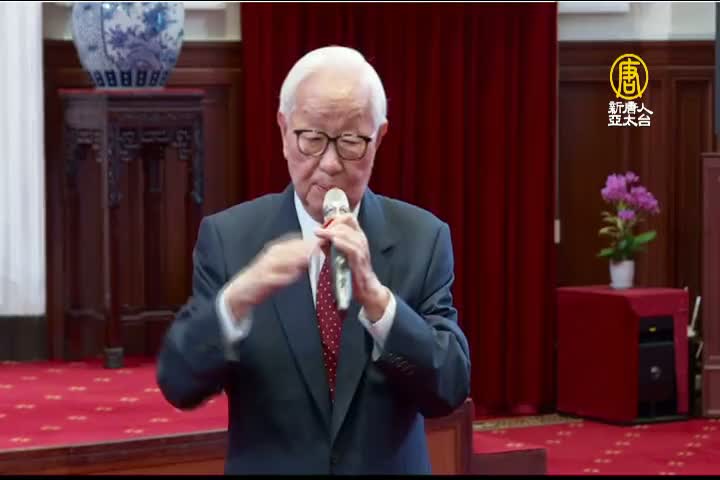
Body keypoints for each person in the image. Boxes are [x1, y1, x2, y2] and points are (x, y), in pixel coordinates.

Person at [156, 45, 471, 475]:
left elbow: (449, 389)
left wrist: (381, 305)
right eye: (313, 139)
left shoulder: (422, 238)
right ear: (284, 131)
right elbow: (179, 384)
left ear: (379, 138)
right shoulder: (230, 239)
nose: (330, 164)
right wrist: (235, 301)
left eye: (351, 142)